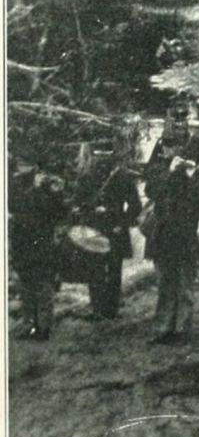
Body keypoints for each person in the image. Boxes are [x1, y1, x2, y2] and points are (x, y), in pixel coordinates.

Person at [144, 121, 199, 344]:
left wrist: (190, 177)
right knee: (165, 284)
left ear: (182, 147)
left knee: (185, 285)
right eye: (167, 145)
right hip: (162, 234)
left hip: (184, 233)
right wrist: (170, 173)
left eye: (175, 145)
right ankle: (163, 328)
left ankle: (182, 329)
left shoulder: (191, 170)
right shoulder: (157, 169)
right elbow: (152, 190)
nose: (170, 150)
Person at [73, 142, 142, 321]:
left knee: (111, 270)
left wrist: (122, 222)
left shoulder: (121, 177)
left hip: (113, 229)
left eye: (105, 156)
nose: (101, 160)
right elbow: (79, 202)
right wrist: (89, 211)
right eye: (99, 155)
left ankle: (109, 310)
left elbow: (135, 205)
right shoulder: (88, 177)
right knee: (96, 269)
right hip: (97, 229)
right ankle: (98, 309)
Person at [9, 147, 67, 342]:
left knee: (43, 287)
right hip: (22, 241)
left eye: (25, 164)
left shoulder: (47, 187)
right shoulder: (15, 184)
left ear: (34, 167)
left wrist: (54, 192)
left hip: (41, 243)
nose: (20, 168)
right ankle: (29, 326)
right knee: (26, 286)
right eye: (19, 164)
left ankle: (43, 328)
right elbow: (13, 206)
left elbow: (57, 213)